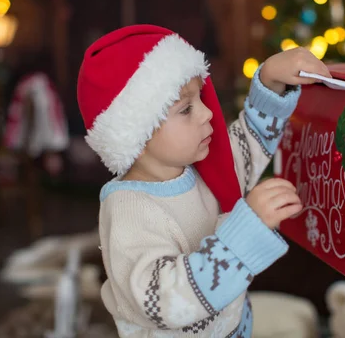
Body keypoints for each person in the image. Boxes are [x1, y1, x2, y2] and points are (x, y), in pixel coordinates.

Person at [76, 24, 331, 337]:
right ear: (137, 134)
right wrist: (246, 228)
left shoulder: (203, 168)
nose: (208, 114)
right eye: (186, 109)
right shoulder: (129, 209)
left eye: (200, 99)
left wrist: (270, 81)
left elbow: (249, 142)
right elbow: (167, 301)